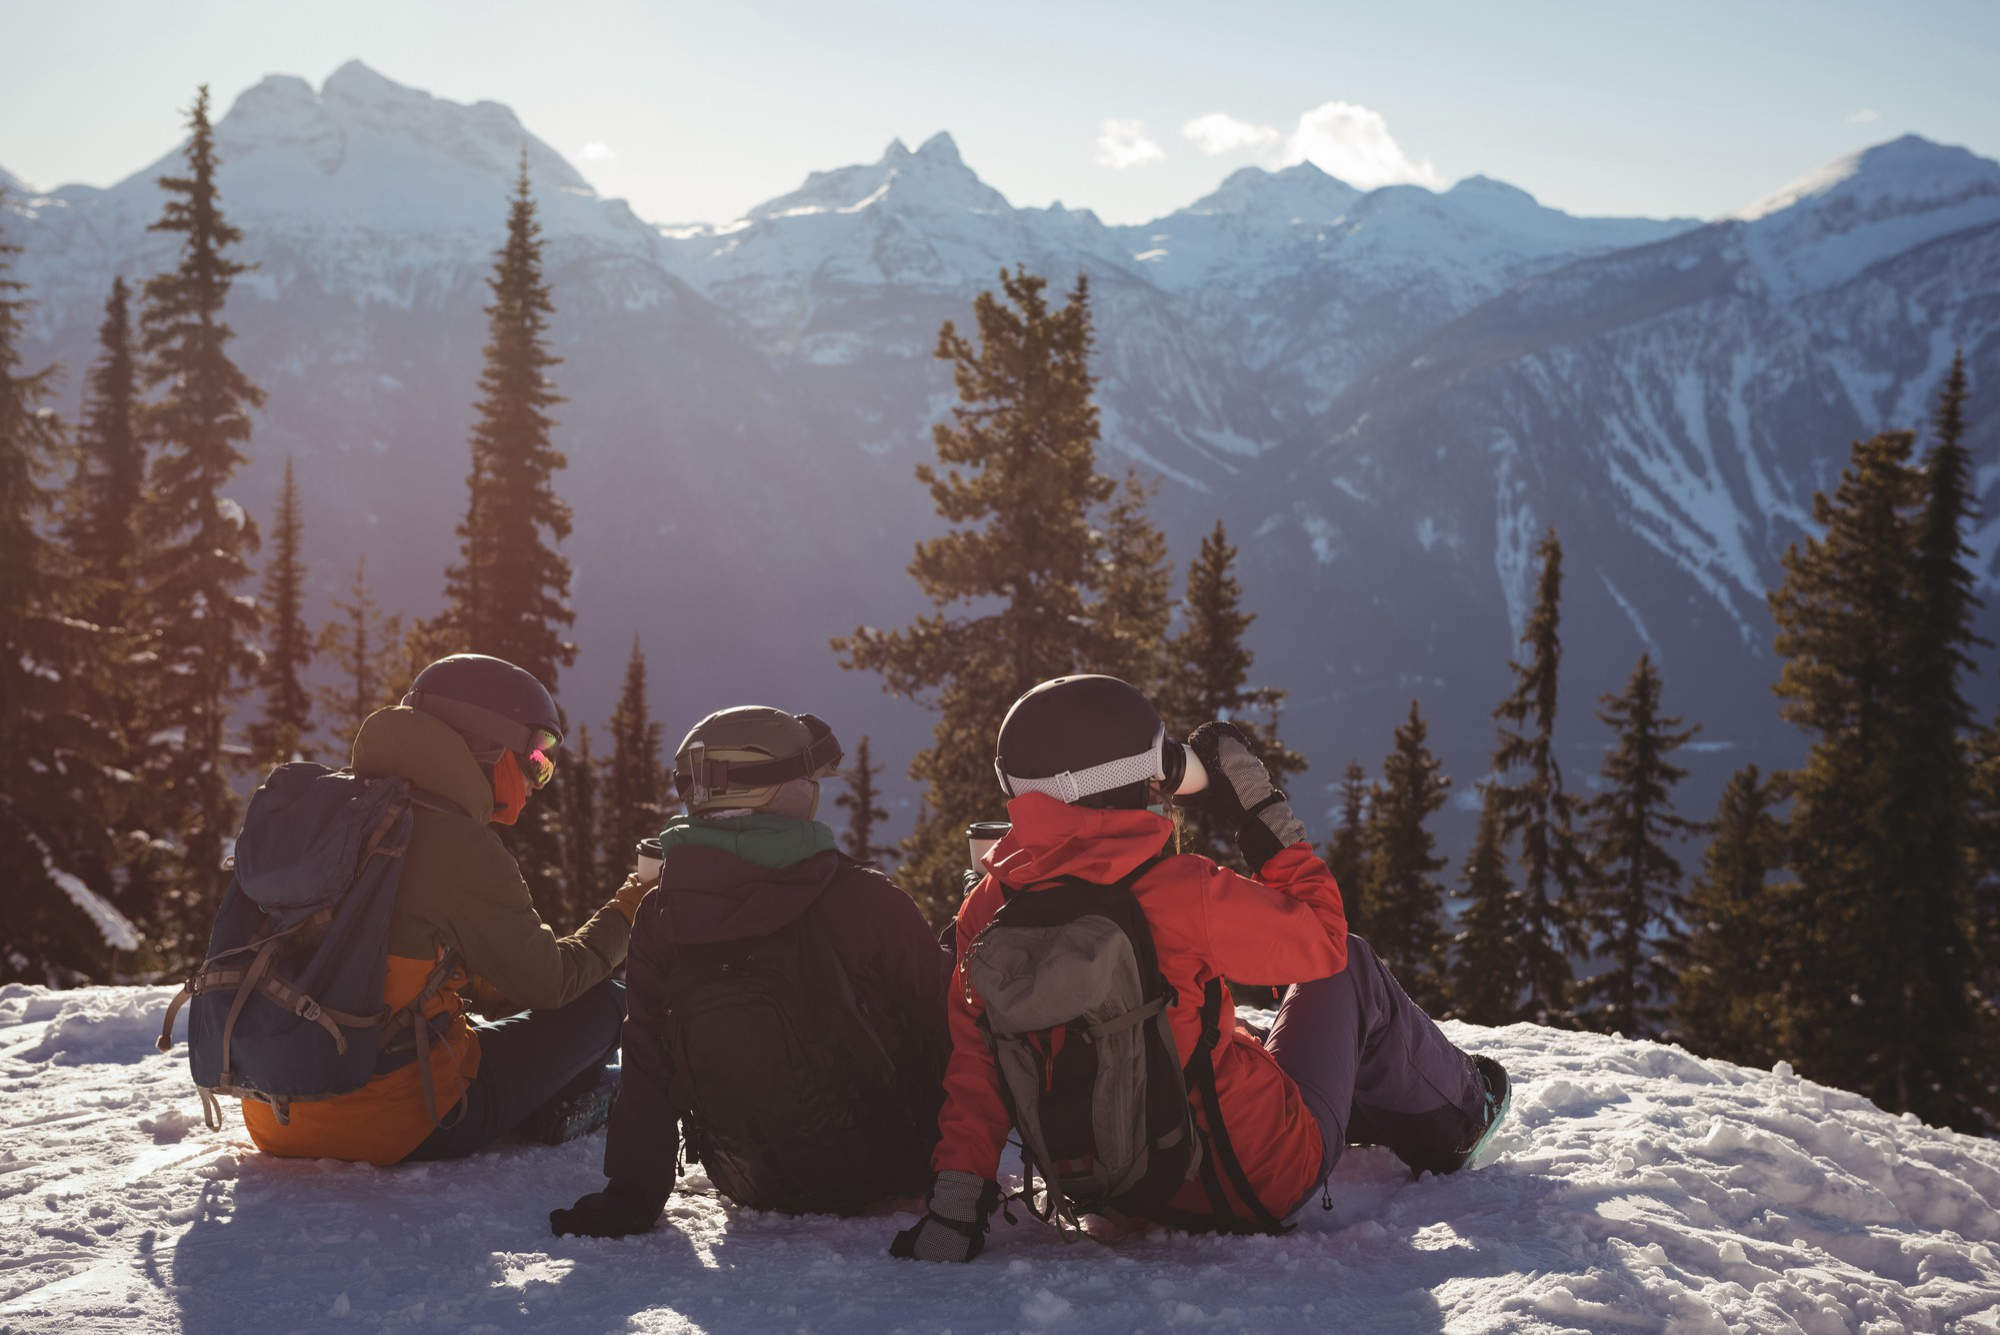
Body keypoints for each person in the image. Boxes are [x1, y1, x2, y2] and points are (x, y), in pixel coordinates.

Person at [891, 674, 1511, 1262]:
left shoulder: (990, 906)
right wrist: (1262, 813)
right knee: (1351, 964)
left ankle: (1365, 1101)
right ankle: (1461, 1116)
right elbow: (1322, 942)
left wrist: (955, 1204)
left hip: (1122, 1190)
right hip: (1257, 1180)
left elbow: (977, 1061)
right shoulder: (1182, 891)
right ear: (1139, 781)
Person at [550, 706, 952, 1238]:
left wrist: (631, 1194)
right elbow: (953, 1026)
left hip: (751, 1179)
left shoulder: (661, 914)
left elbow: (646, 1064)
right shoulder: (865, 899)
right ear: (780, 791)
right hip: (893, 1166)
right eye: (807, 779)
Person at [240, 653, 644, 1167]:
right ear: (490, 746)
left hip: (273, 1116)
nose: (540, 775)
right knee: (606, 1003)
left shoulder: (341, 813)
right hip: (398, 1124)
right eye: (538, 755)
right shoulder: (460, 845)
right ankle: (562, 1100)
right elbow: (552, 983)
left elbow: (373, 962)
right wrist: (632, 904)